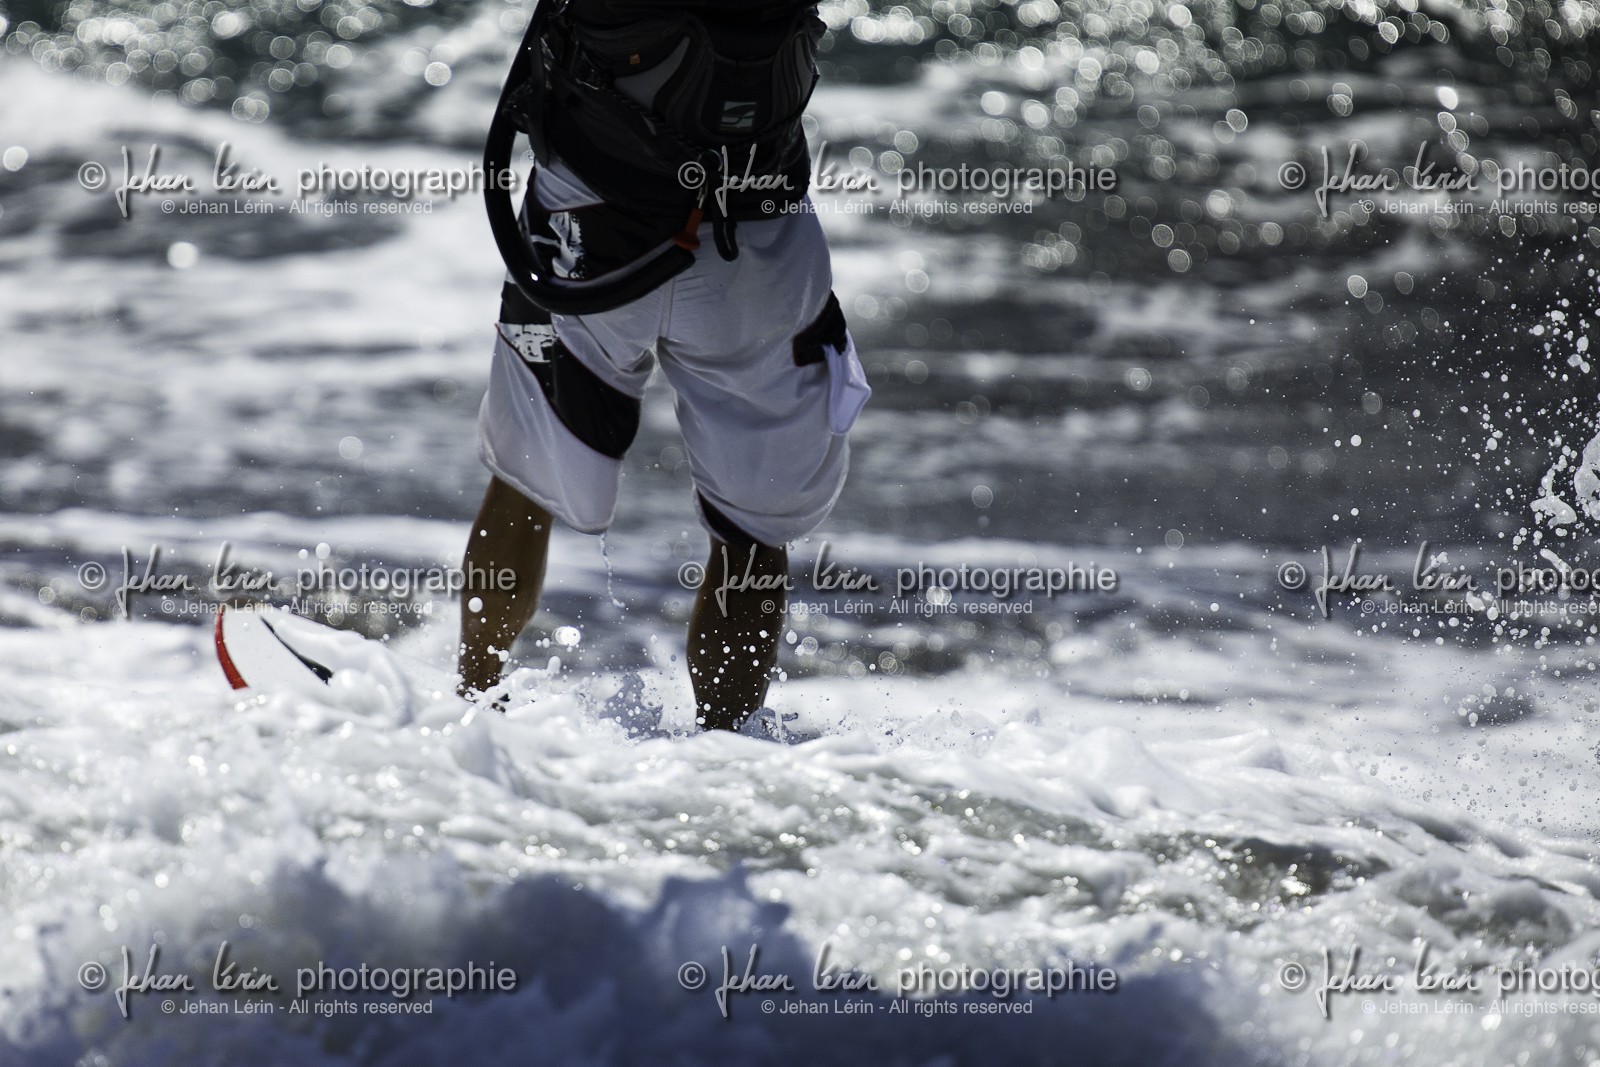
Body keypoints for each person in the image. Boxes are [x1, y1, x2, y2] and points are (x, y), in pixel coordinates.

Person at [457, 0, 869, 732]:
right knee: (752, 534)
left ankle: (472, 709)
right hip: (759, 243)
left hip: (590, 226)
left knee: (526, 474)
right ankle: (726, 752)